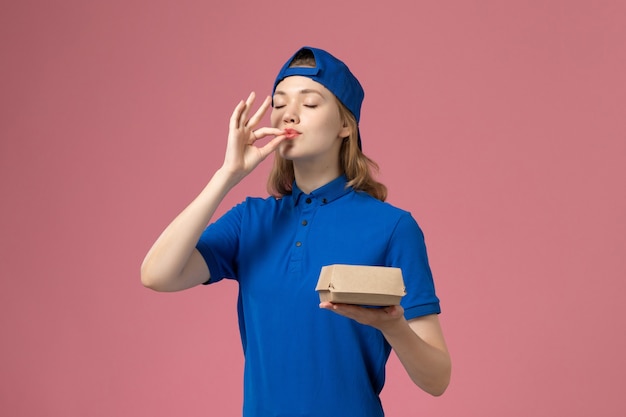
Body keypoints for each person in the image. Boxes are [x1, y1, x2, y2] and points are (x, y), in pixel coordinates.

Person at [141, 46, 451, 416]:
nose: (289, 113)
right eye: (280, 102)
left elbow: (436, 380)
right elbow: (157, 275)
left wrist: (394, 327)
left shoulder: (393, 228)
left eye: (310, 103)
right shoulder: (250, 221)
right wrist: (227, 177)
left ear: (345, 125)